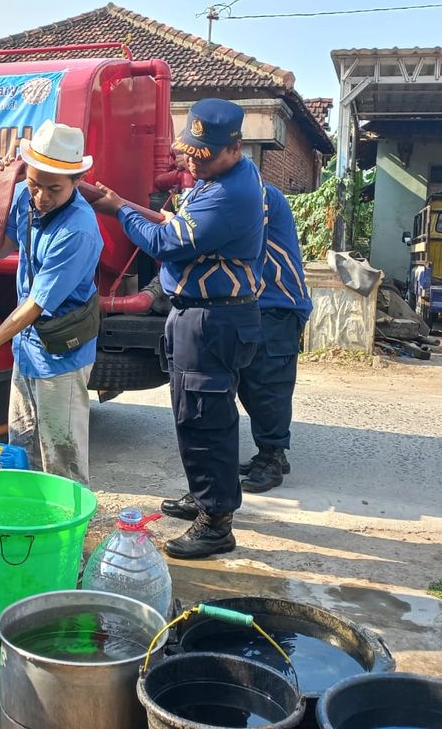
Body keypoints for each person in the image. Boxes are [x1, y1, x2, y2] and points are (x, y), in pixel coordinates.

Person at [91, 99, 264, 559]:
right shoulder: (222, 178)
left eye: (203, 154)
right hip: (205, 315)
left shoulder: (231, 193)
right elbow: (176, 222)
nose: (191, 159)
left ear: (235, 147)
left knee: (204, 420)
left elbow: (166, 242)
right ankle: (204, 496)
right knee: (197, 414)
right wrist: (122, 203)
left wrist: (118, 212)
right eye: (190, 149)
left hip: (213, 319)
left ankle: (215, 523)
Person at [0, 120, 103, 485]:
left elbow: (35, 306)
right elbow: (7, 243)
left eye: (53, 188)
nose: (41, 197)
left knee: (61, 457)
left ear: (77, 181)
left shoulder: (77, 231)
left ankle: (69, 531)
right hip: (28, 349)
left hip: (61, 355)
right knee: (23, 445)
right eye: (34, 183)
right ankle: (31, 524)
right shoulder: (26, 199)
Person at [236, 183, 311, 493]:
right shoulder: (240, 193)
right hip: (256, 305)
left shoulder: (257, 195)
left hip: (278, 303)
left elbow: (232, 235)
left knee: (269, 385)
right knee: (251, 384)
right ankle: (269, 453)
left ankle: (273, 456)